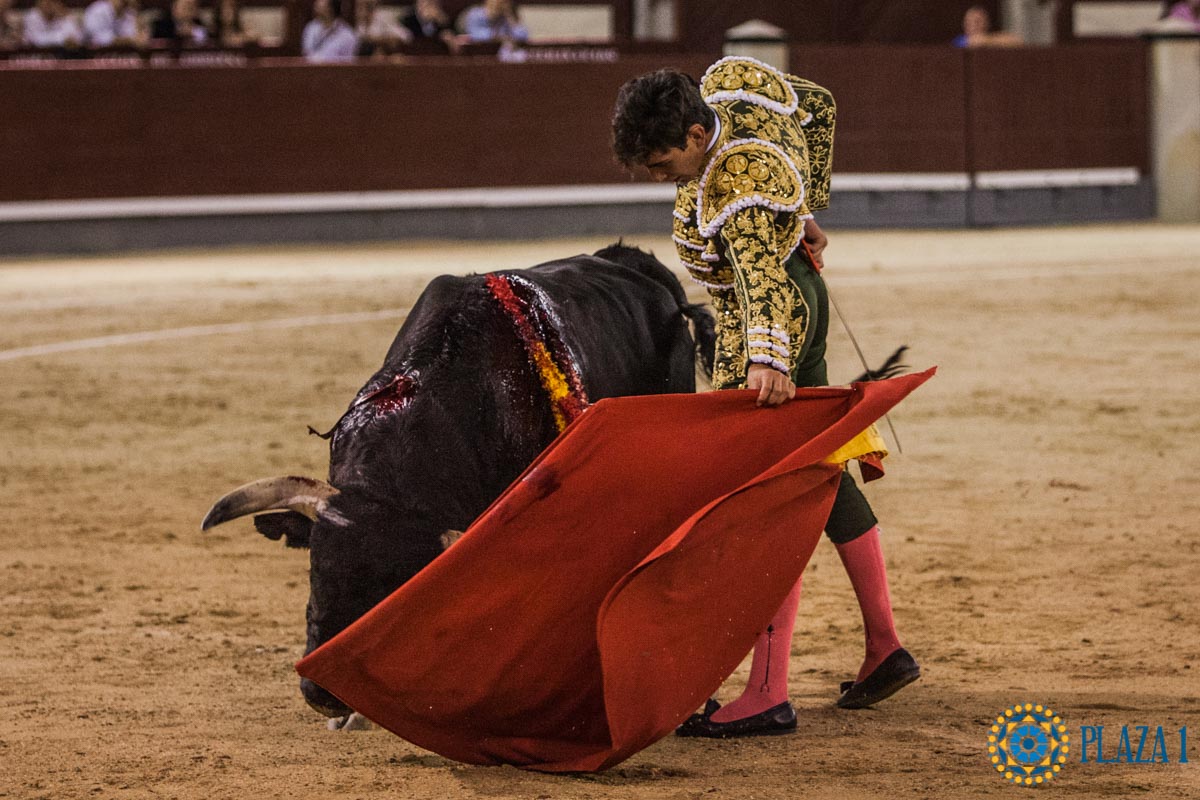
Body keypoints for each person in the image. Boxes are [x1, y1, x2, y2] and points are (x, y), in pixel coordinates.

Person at [610, 58, 920, 737]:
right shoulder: (732, 91)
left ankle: (769, 690)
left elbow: (756, 277)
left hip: (767, 315)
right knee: (818, 474)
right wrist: (803, 210)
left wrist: (764, 357)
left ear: (696, 134)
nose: (661, 177)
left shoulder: (734, 182)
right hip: (797, 294)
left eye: (664, 163)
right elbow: (816, 102)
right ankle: (884, 645)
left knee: (764, 498)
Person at [459, 0, 526, 43]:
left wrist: (510, 17)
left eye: (505, 2)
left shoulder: (506, 18)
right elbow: (474, 35)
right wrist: (491, 16)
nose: (500, 4)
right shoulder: (475, 13)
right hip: (480, 53)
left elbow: (522, 35)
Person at [953, 5, 1022, 47]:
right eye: (968, 21)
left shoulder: (992, 39)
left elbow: (1017, 42)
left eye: (977, 21)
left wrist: (986, 41)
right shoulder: (960, 41)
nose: (973, 25)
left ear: (987, 23)